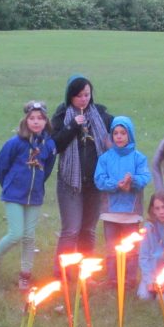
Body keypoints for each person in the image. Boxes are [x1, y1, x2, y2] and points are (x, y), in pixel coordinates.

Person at [0, 101, 57, 291]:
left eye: (40, 118)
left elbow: (47, 169)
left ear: (46, 121)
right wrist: (10, 185)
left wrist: (37, 184)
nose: (36, 122)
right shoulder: (15, 143)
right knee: (16, 233)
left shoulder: (49, 145)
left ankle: (25, 275)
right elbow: (1, 166)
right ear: (26, 120)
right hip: (14, 195)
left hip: (35, 196)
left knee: (29, 237)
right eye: (32, 118)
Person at [50, 74, 113, 273]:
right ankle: (62, 273)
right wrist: (72, 126)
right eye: (79, 96)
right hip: (70, 182)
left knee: (88, 230)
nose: (84, 99)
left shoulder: (101, 115)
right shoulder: (61, 116)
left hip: (95, 183)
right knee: (71, 229)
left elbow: (121, 133)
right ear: (70, 96)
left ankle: (85, 273)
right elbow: (55, 145)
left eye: (87, 94)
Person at [93, 115, 151, 287]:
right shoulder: (105, 158)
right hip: (110, 212)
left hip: (131, 213)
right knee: (112, 249)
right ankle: (113, 279)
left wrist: (132, 181)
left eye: (123, 133)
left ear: (130, 135)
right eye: (115, 133)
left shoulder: (138, 158)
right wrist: (115, 185)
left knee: (131, 249)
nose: (119, 136)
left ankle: (130, 280)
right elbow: (99, 179)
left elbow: (145, 177)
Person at [137, 190, 164, 301]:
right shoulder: (148, 227)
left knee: (161, 300)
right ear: (153, 210)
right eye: (157, 208)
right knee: (143, 297)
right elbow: (144, 256)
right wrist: (149, 280)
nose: (161, 212)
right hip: (152, 273)